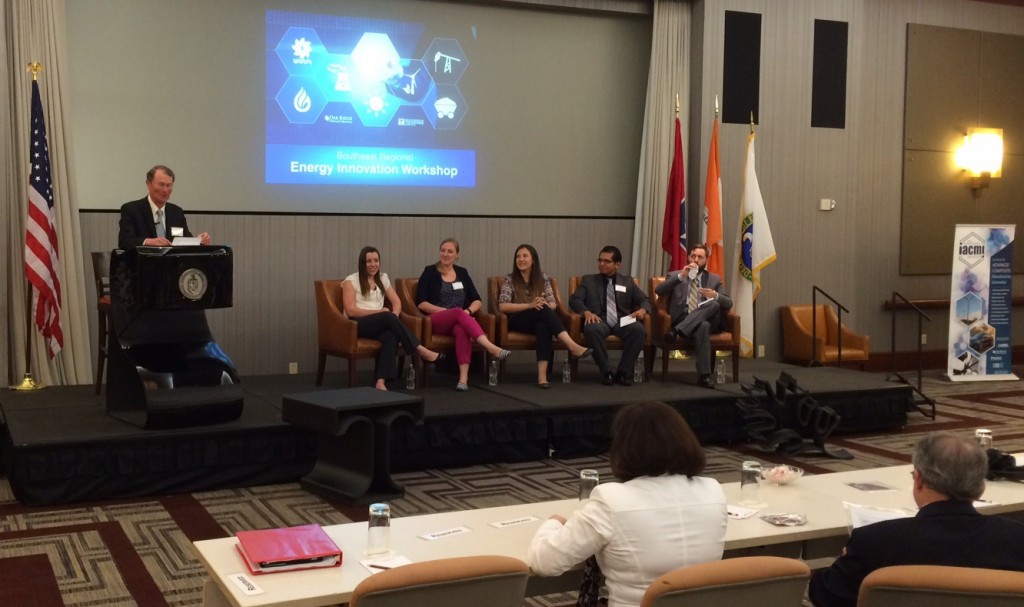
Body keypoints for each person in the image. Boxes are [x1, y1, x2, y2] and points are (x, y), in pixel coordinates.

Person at [526, 401, 727, 607]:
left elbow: (546, 563)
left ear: (624, 448)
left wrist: (553, 523)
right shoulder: (713, 490)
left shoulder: (611, 499)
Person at [808, 432, 1024, 607]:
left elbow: (825, 596)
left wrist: (841, 563)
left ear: (918, 480)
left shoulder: (874, 541)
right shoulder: (1017, 538)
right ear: (981, 489)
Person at [342, 246, 445, 391]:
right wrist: (381, 313)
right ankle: (420, 349)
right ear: (362, 263)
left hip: (380, 322)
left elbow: (397, 302)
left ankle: (380, 381)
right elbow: (350, 310)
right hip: (356, 324)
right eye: (369, 261)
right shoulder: (351, 281)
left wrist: (394, 316)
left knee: (390, 336)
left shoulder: (382, 278)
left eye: (376, 261)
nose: (373, 264)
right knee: (386, 316)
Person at [416, 238, 510, 391]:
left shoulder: (462, 272)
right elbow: (421, 303)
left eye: (450, 251)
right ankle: (490, 347)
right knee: (458, 312)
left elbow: (477, 300)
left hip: (459, 319)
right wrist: (448, 312)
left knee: (462, 330)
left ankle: (463, 379)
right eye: (443, 250)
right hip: (435, 320)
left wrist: (469, 311)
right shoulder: (430, 271)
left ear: (457, 255)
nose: (445, 254)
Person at [498, 244, 592, 387]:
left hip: (538, 318)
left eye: (525, 256)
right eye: (518, 256)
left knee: (543, 325)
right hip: (516, 320)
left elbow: (553, 304)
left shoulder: (543, 278)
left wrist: (542, 303)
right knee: (541, 309)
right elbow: (502, 306)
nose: (521, 259)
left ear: (533, 260)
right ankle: (572, 345)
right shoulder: (510, 279)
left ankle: (542, 377)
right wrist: (529, 305)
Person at [569, 246, 650, 386]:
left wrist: (642, 310)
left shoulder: (627, 281)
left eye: (607, 261)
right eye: (600, 260)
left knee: (639, 330)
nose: (602, 264)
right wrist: (586, 312)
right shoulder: (589, 280)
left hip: (623, 319)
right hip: (599, 318)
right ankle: (605, 372)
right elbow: (575, 300)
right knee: (591, 329)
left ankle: (623, 373)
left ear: (617, 264)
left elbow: (645, 300)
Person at [655, 244, 733, 389]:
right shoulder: (675, 275)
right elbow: (658, 290)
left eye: (700, 257)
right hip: (684, 317)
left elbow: (728, 303)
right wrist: (680, 277)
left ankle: (676, 331)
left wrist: (715, 295)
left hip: (706, 315)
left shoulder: (714, 279)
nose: (696, 260)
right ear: (689, 257)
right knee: (703, 326)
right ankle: (704, 376)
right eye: (693, 256)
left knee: (714, 304)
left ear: (706, 260)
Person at [118, 165, 210, 248]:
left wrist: (199, 240)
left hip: (172, 265)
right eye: (161, 185)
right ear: (148, 184)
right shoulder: (132, 210)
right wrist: (149, 242)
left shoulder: (176, 212)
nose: (165, 190)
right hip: (143, 264)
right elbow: (125, 241)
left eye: (169, 185)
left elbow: (184, 240)